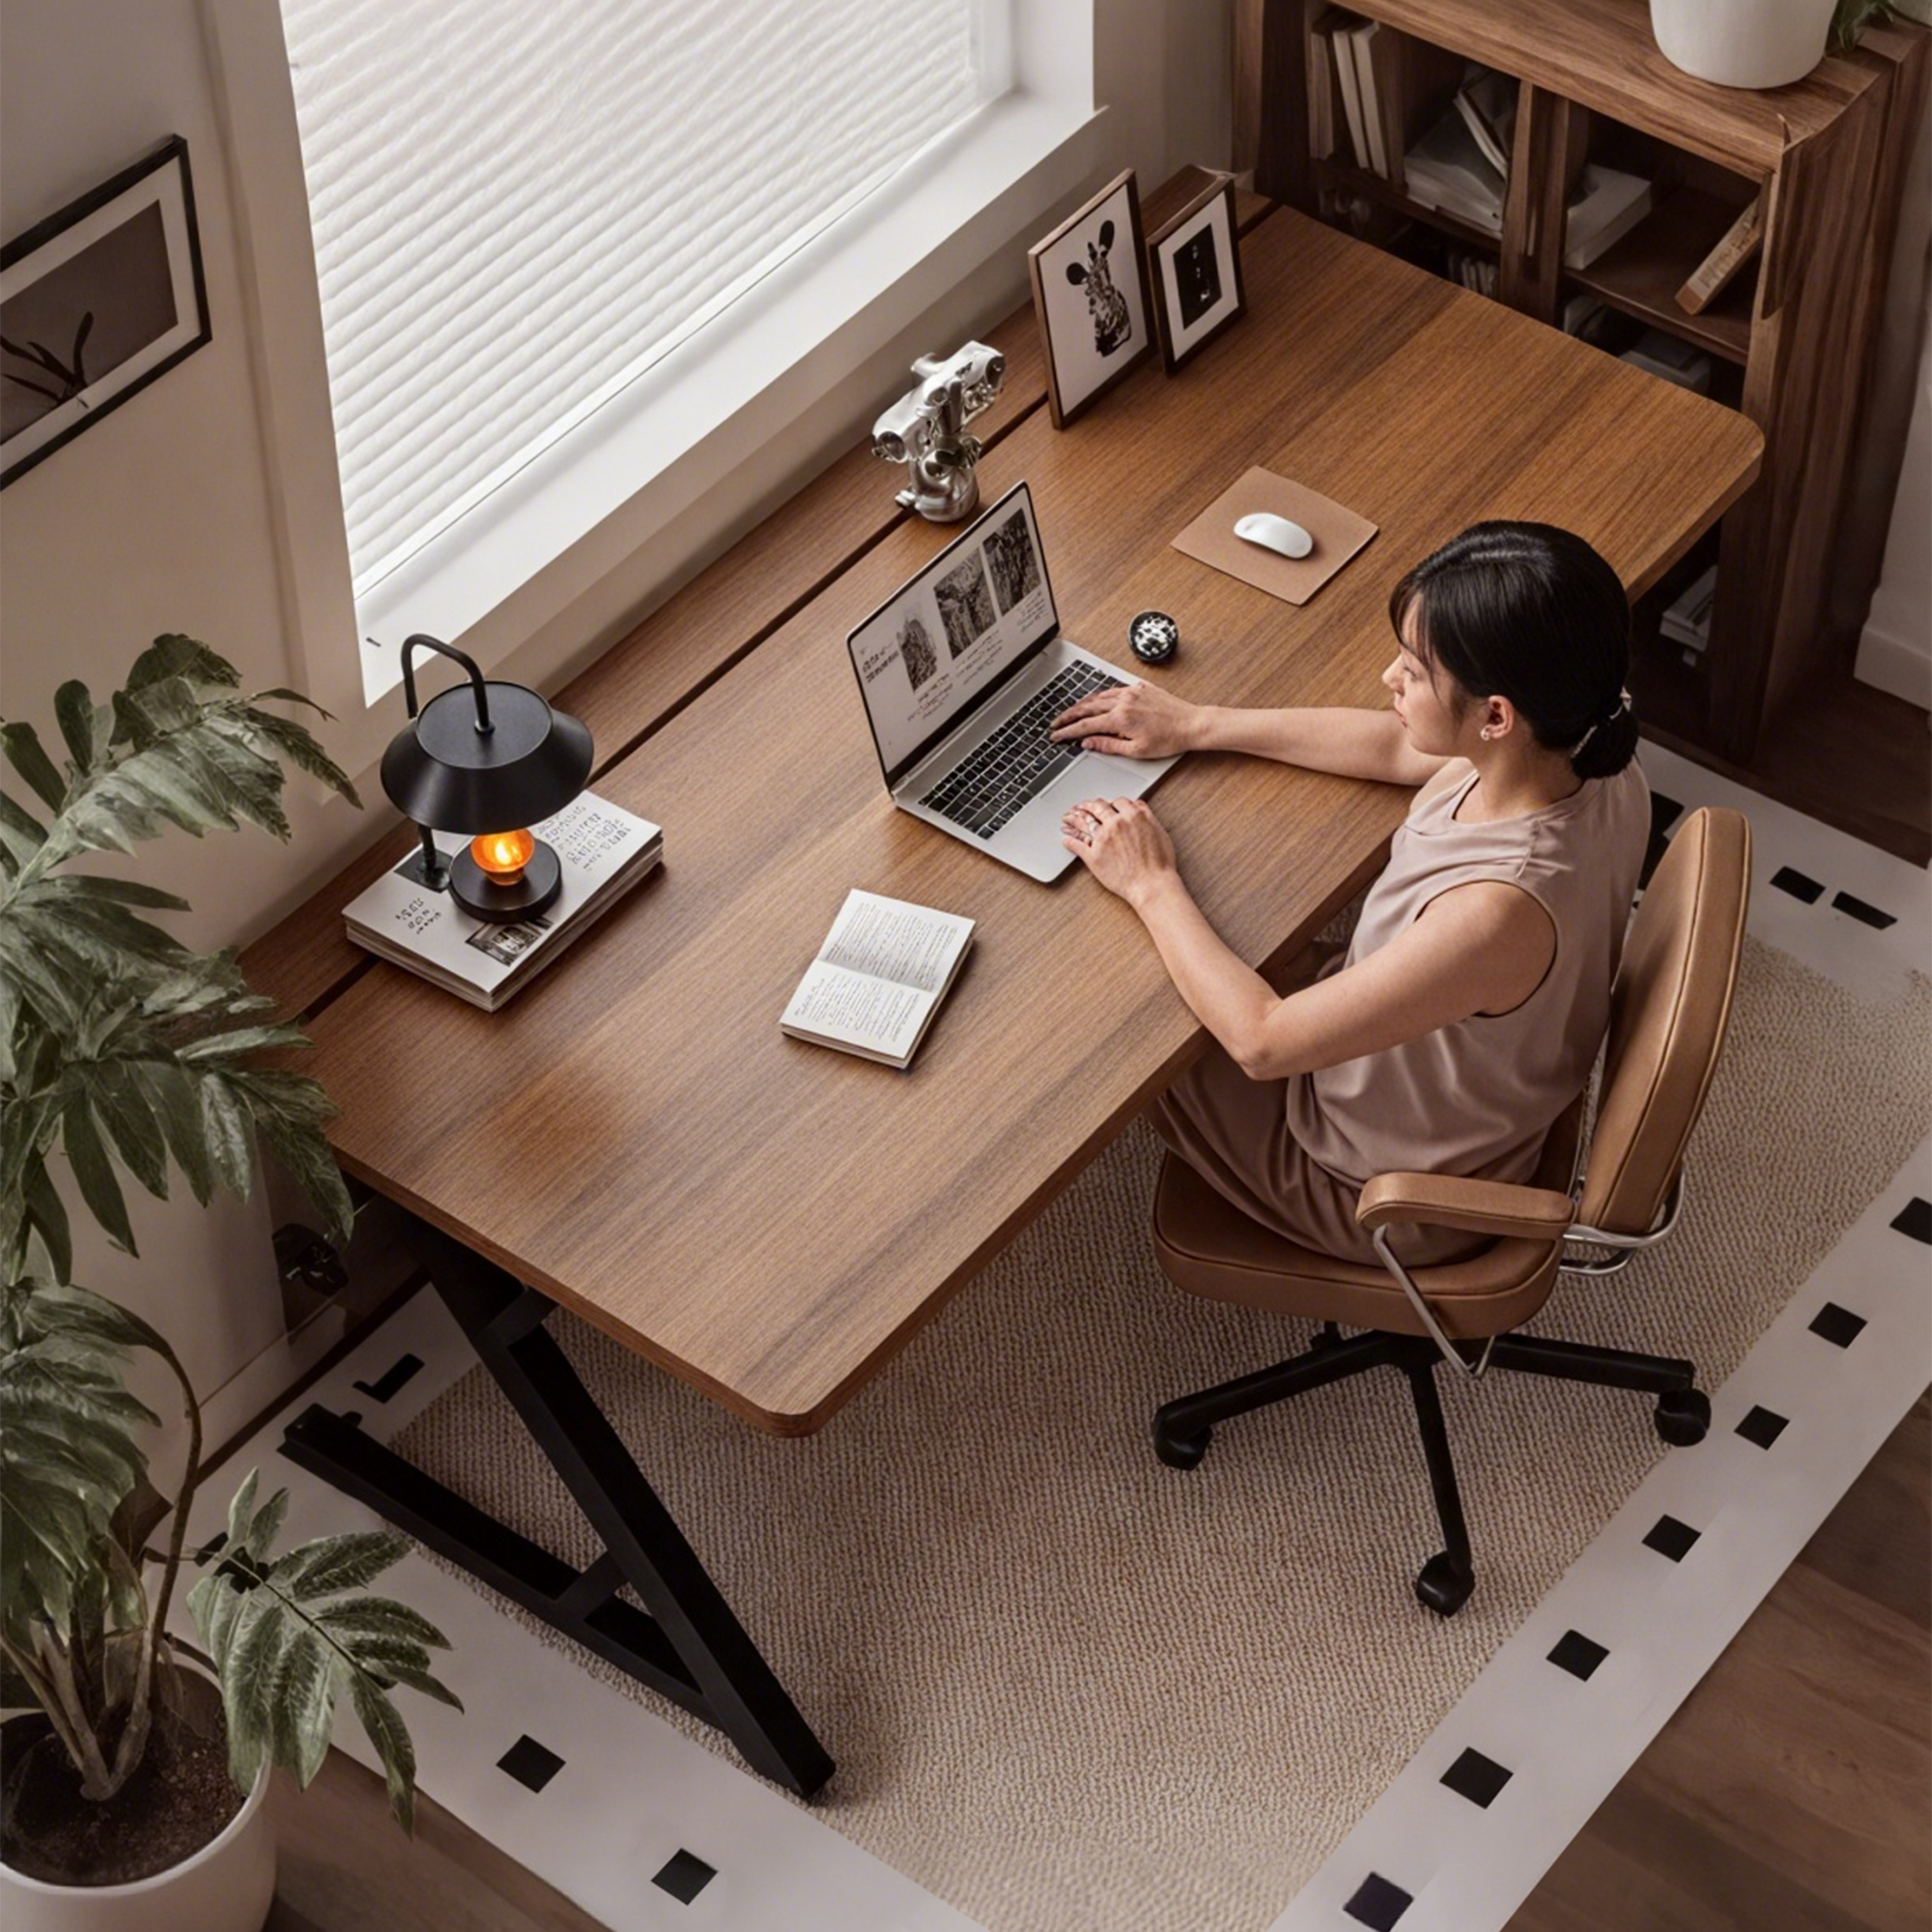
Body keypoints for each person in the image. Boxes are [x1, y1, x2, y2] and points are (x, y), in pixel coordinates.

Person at [1050, 521, 1651, 1266]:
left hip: (1376, 1189)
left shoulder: (1496, 910)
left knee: (1123, 1013)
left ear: (1496, 716)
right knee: (1232, 928)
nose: (1387, 680)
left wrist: (1151, 881)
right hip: (1469, 1092)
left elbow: (1263, 1042)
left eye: (1414, 670)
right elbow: (1397, 747)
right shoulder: (1585, 748)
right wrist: (1197, 724)